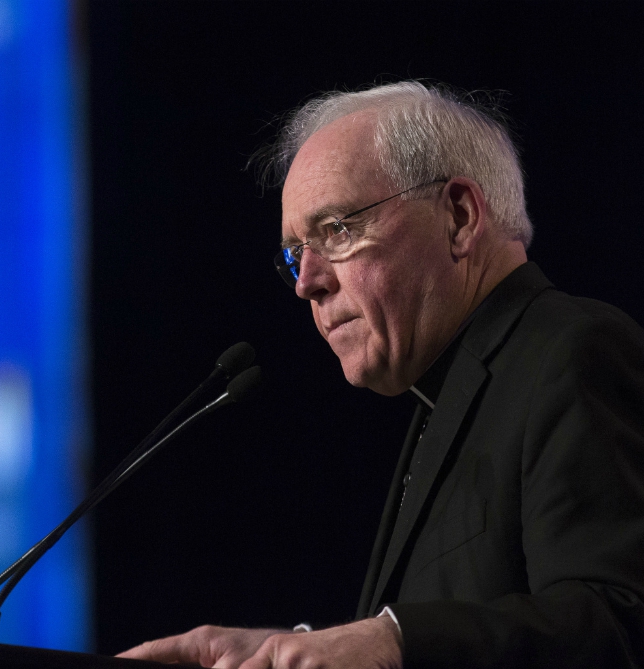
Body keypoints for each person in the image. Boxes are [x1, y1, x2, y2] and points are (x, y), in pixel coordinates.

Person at [118, 81, 644, 668]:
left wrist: (393, 642)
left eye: (337, 229)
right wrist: (282, 653)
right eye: (296, 251)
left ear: (461, 216)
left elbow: (619, 621)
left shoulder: (574, 353)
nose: (306, 282)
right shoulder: (443, 394)